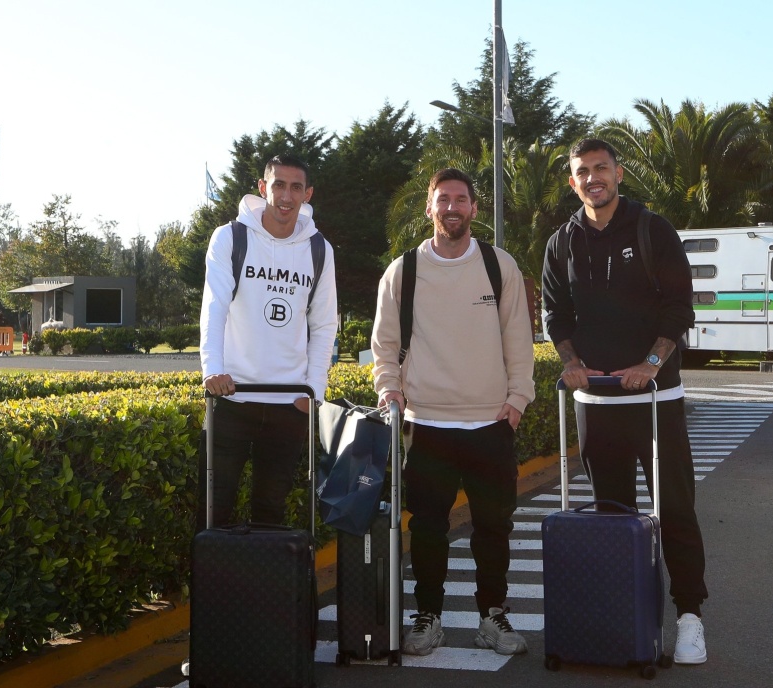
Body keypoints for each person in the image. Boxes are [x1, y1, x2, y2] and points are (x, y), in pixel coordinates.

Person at [541, 138, 709, 665]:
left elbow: (680, 309)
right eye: (582, 172)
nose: (593, 178)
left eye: (601, 168)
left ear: (618, 174)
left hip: (658, 399)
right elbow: (555, 316)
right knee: (613, 516)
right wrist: (570, 362)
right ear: (573, 182)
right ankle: (623, 619)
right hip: (598, 404)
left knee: (675, 510)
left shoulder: (652, 229)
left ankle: (689, 619)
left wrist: (651, 365)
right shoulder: (561, 242)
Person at [372, 168, 536, 657]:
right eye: (442, 199)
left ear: (474, 209)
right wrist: (390, 392)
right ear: (429, 209)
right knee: (427, 529)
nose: (451, 207)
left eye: (460, 199)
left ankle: (492, 617)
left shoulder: (497, 264)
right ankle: (429, 617)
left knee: (493, 528)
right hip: (427, 425)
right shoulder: (404, 270)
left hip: (491, 423)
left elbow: (518, 339)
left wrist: (517, 399)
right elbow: (385, 344)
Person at [198, 154, 338, 531]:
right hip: (231, 399)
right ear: (263, 188)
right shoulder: (230, 237)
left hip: (288, 405)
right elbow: (214, 307)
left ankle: (266, 591)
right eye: (278, 184)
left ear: (307, 194)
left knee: (270, 517)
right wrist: (213, 372)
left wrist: (313, 390)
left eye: (295, 187)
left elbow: (324, 326)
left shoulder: (319, 249)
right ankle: (212, 591)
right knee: (212, 514)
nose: (286, 195)